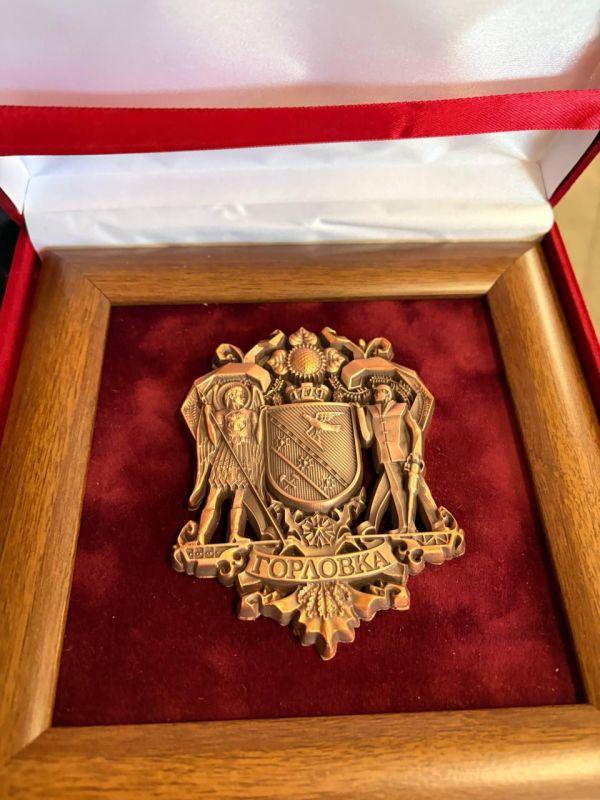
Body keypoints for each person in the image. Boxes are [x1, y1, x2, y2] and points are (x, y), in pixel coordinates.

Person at [355, 382, 443, 533]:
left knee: (407, 488)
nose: (376, 395)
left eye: (379, 392)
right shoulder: (371, 411)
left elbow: (416, 431)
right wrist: (359, 411)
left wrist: (415, 455)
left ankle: (409, 525)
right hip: (385, 458)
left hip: (404, 456)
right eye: (375, 392)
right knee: (389, 488)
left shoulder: (401, 408)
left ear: (387, 393)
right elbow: (367, 438)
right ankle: (373, 523)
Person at [195, 383, 263, 544]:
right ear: (231, 396)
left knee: (239, 499)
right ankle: (200, 537)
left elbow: (259, 439)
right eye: (239, 395)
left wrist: (261, 417)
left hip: (244, 455)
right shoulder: (220, 414)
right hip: (225, 455)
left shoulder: (251, 413)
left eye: (243, 396)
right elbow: (214, 439)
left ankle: (234, 535)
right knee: (212, 497)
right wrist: (207, 415)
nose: (242, 398)